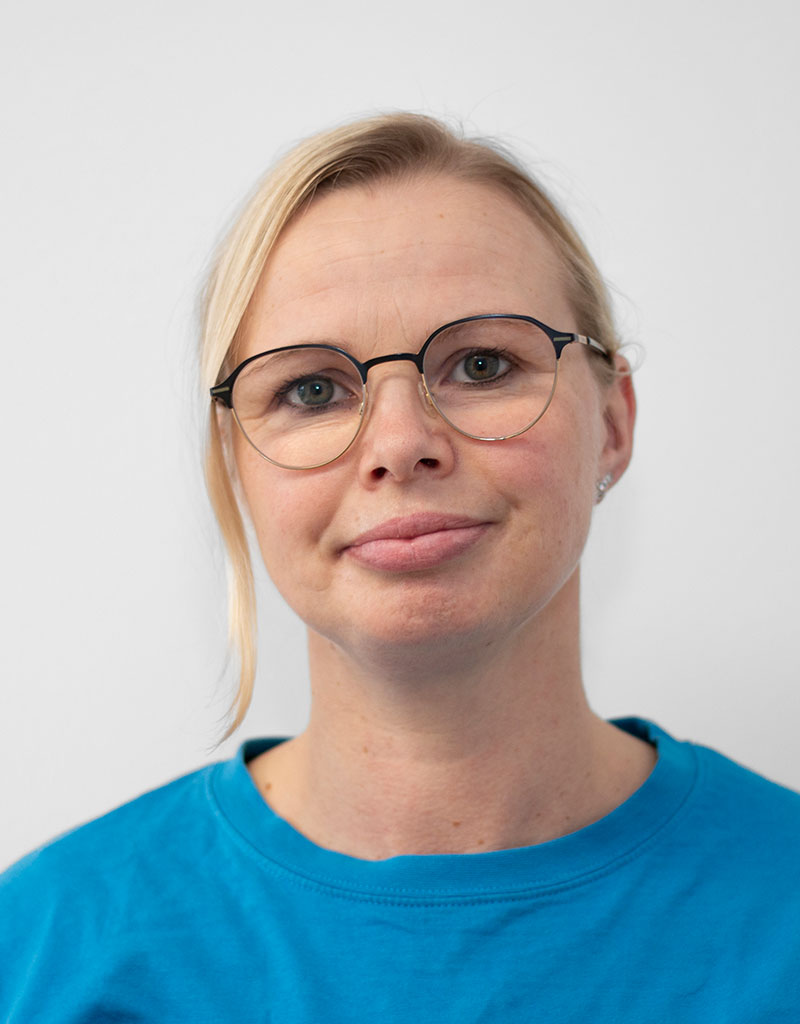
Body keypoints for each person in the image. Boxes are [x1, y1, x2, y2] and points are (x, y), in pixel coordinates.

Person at [1, 112, 798, 1022]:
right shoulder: (40, 950)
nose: (399, 443)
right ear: (236, 465)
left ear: (612, 422)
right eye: (312, 390)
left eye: (483, 364)